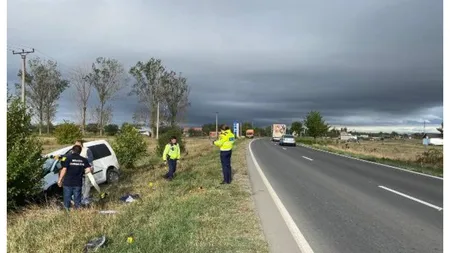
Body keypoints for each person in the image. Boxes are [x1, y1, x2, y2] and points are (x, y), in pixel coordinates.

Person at [58, 145, 92, 210]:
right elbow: (89, 169)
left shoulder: (68, 158)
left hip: (68, 183)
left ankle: (67, 213)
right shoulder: (84, 159)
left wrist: (60, 179)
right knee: (77, 200)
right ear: (80, 151)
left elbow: (64, 169)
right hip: (78, 183)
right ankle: (77, 213)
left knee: (67, 199)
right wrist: (83, 172)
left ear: (72, 150)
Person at [75, 140, 94, 205]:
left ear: (81, 144)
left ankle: (86, 198)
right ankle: (83, 197)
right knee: (82, 184)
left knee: (87, 184)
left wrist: (82, 160)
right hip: (80, 170)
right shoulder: (76, 151)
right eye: (75, 144)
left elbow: (91, 158)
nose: (75, 145)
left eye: (77, 144)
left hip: (88, 170)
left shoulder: (87, 150)